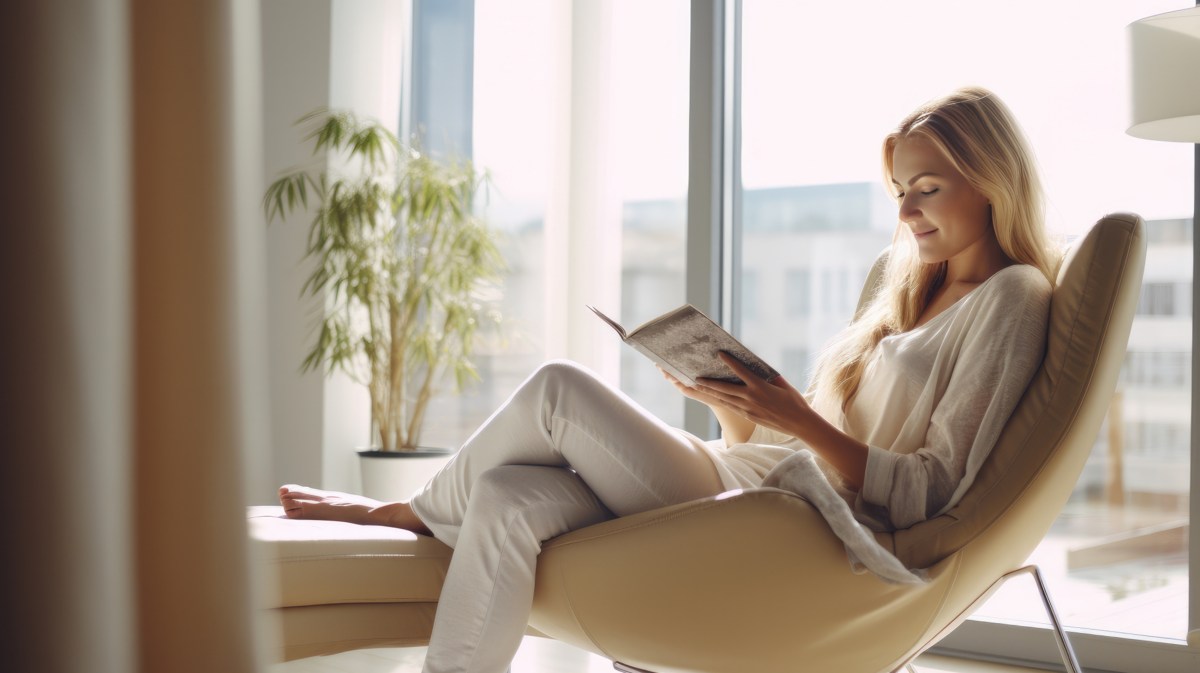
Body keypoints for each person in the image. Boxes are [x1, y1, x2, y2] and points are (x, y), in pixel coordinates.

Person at [278, 85, 1056, 673]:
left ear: (989, 178)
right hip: (748, 479)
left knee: (556, 388)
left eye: (928, 188)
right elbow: (793, 443)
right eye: (900, 193)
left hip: (795, 523)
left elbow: (934, 486)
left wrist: (799, 420)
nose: (910, 212)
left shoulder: (1011, 297)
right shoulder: (907, 287)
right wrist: (742, 407)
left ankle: (406, 511)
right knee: (507, 495)